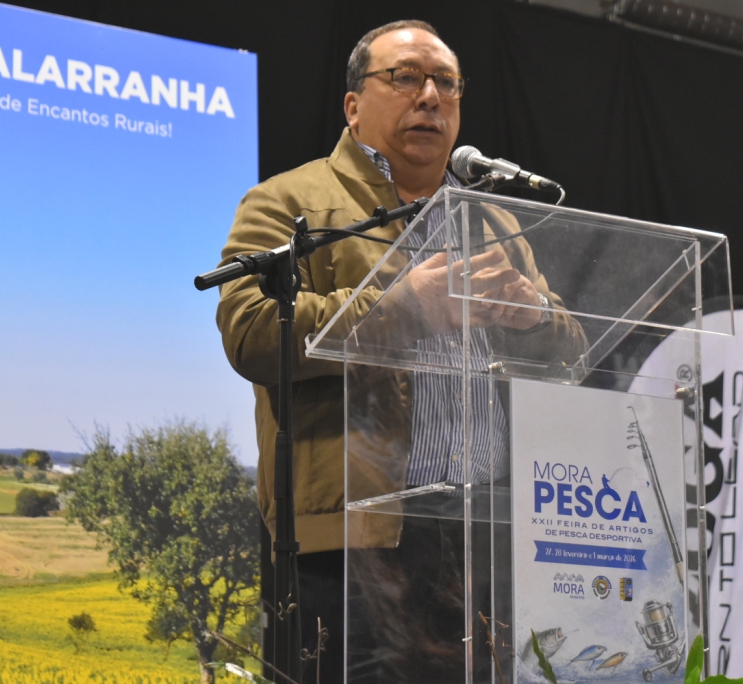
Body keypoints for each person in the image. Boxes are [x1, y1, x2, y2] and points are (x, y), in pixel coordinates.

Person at [217, 20, 585, 683]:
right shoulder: (289, 203)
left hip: (487, 533)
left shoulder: (495, 222)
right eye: (406, 77)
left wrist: (534, 320)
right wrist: (402, 308)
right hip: (355, 543)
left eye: (447, 83)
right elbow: (251, 332)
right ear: (353, 105)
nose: (431, 96)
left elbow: (571, 353)